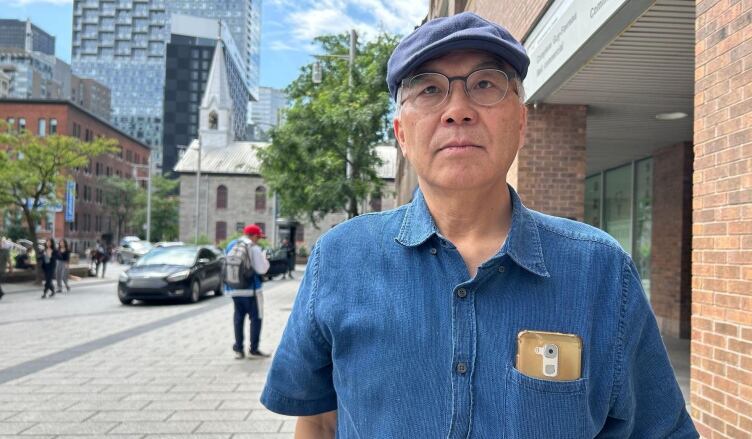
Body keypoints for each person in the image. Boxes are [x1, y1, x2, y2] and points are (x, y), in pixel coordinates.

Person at [260, 12, 697, 438]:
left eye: (485, 84)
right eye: (429, 89)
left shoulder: (601, 272)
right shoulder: (339, 259)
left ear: (521, 122)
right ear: (401, 134)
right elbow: (318, 421)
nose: (458, 110)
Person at [225, 224, 270, 359]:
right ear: (254, 236)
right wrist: (264, 258)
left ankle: (239, 349)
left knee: (238, 318)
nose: (259, 240)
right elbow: (262, 270)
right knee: (256, 319)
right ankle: (254, 349)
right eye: (259, 237)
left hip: (234, 289)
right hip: (252, 291)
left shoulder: (231, 245)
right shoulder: (254, 248)